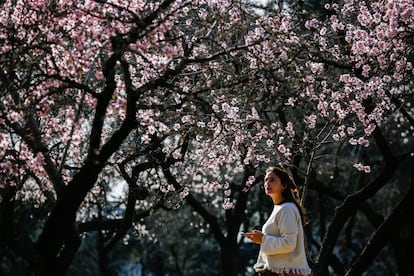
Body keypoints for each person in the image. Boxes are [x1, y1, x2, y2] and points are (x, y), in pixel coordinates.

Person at [243, 166, 311, 276]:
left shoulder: (287, 209)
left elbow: (289, 243)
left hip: (283, 272)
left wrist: (262, 239)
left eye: (272, 180)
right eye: (266, 180)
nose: (267, 183)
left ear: (283, 185)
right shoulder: (280, 208)